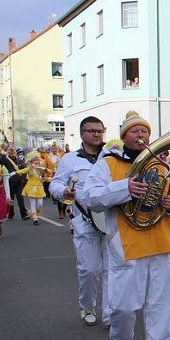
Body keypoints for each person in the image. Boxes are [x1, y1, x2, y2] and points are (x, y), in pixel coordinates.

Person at [81, 110, 170, 340]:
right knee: (122, 309)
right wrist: (125, 188)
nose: (141, 135)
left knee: (160, 307)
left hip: (162, 244)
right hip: (126, 248)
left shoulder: (163, 166)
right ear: (124, 137)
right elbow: (91, 197)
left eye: (145, 131)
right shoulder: (108, 164)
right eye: (135, 131)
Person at [50, 116, 110, 327]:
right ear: (82, 133)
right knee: (89, 269)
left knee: (113, 269)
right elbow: (54, 185)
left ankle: (111, 312)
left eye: (100, 130)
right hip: (84, 221)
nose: (97, 134)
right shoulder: (70, 160)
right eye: (92, 131)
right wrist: (64, 191)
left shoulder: (112, 155)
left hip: (110, 219)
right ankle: (87, 306)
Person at [16, 152, 49, 225]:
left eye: (37, 160)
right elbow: (22, 171)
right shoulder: (29, 168)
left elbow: (49, 171)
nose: (36, 161)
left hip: (39, 188)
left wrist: (44, 169)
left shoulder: (40, 168)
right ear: (31, 161)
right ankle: (35, 218)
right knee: (33, 204)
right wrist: (15, 172)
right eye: (34, 160)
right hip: (31, 187)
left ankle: (33, 213)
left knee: (40, 204)